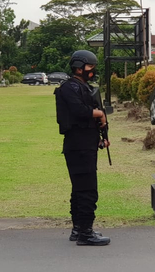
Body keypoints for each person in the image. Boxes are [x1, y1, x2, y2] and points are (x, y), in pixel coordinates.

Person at [54, 50, 111, 246]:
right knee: (87, 190)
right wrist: (99, 114)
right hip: (79, 146)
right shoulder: (70, 87)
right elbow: (79, 111)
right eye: (90, 67)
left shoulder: (83, 86)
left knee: (79, 189)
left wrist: (103, 133)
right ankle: (86, 233)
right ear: (79, 67)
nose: (92, 71)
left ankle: (78, 229)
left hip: (84, 144)